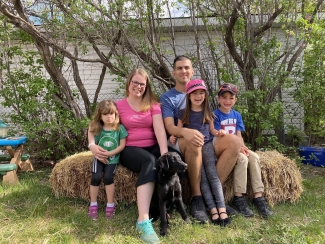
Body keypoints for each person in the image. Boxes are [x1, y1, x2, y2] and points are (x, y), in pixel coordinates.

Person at [89, 68, 168, 244]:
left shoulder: (153, 105)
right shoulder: (118, 106)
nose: (138, 86)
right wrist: (92, 146)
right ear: (129, 83)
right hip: (129, 148)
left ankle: (164, 207)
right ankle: (143, 220)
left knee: (172, 158)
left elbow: (160, 130)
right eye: (135, 82)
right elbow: (96, 123)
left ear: (146, 86)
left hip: (152, 145)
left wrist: (164, 152)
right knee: (149, 161)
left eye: (142, 83)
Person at [160, 55, 241, 223]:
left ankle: (211, 196)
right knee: (194, 140)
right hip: (183, 140)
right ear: (174, 72)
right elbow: (170, 127)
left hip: (208, 139)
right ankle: (197, 197)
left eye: (186, 67)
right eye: (180, 68)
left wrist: (220, 133)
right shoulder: (168, 97)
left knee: (234, 141)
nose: (183, 71)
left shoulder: (201, 95)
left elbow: (211, 122)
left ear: (192, 71)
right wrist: (185, 132)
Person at [170, 79, 231, 227]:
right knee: (202, 177)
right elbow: (179, 130)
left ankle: (221, 207)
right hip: (193, 148)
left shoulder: (207, 110)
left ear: (205, 95)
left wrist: (219, 132)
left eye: (201, 93)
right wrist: (174, 136)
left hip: (208, 145)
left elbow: (211, 130)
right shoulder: (183, 113)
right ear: (189, 95)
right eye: (195, 93)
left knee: (212, 174)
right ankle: (212, 209)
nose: (198, 96)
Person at [213, 83, 273, 218]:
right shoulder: (215, 115)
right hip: (225, 149)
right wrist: (238, 150)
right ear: (218, 99)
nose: (227, 101)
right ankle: (238, 197)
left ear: (235, 100)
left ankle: (259, 196)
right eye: (224, 97)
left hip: (238, 146)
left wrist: (243, 147)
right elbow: (217, 137)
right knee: (242, 159)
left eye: (231, 98)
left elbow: (238, 135)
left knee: (254, 157)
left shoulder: (237, 115)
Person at [87, 100, 128, 220]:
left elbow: (122, 146)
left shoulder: (119, 128)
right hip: (99, 158)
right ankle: (93, 204)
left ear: (116, 114)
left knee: (108, 177)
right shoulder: (97, 128)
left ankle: (110, 205)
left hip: (113, 159)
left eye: (111, 114)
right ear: (100, 115)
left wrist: (109, 153)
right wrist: (96, 151)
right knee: (95, 177)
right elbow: (91, 137)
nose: (109, 117)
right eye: (105, 114)